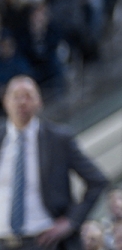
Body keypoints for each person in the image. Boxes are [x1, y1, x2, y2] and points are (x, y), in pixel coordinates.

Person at [0, 75, 107, 250]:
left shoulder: (58, 139)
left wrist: (71, 221)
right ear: (5, 102)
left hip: (43, 242)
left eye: (28, 96)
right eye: (16, 96)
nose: (22, 102)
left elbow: (98, 181)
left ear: (39, 102)